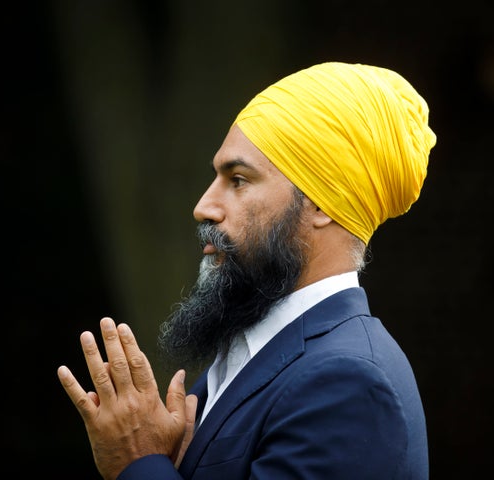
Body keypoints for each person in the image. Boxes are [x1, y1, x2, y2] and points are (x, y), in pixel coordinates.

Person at [57, 61, 437, 479]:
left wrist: (139, 463)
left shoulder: (350, 383)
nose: (204, 206)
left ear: (322, 205)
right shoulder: (257, 350)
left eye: (238, 179)